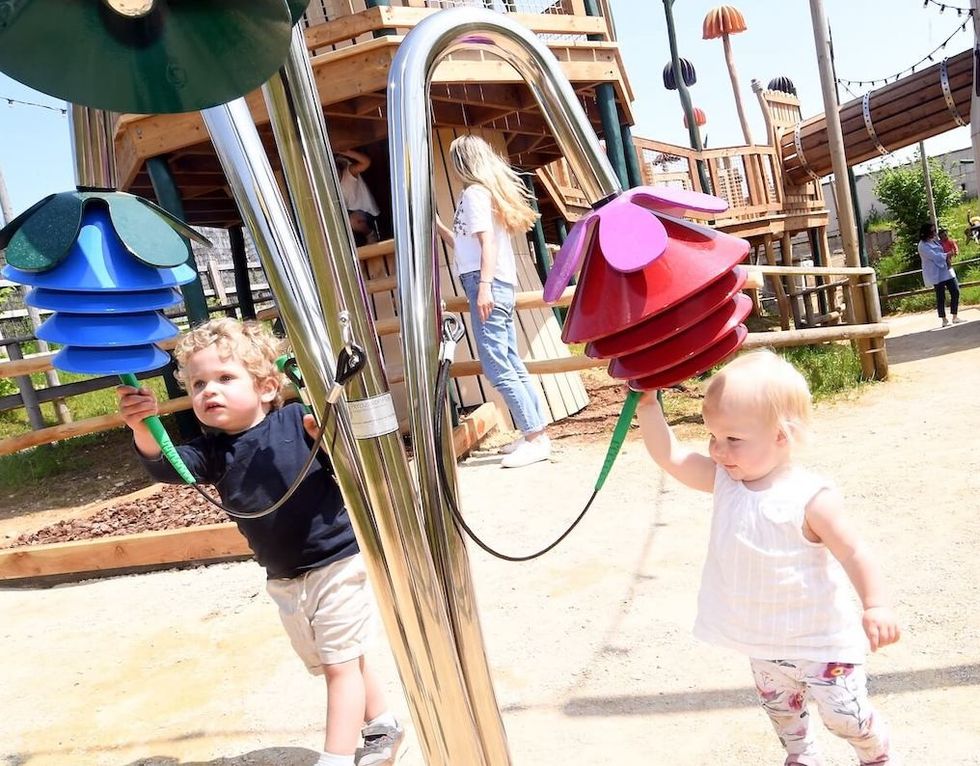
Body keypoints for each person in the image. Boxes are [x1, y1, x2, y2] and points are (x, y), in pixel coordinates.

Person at [116, 318, 403, 766]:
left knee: (338, 665)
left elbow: (348, 453)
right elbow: (168, 467)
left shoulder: (298, 421)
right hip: (284, 576)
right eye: (197, 384)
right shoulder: (210, 451)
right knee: (337, 654)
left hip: (337, 561)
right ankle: (383, 724)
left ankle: (336, 757)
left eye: (225, 378)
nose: (209, 391)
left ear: (268, 386)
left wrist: (325, 436)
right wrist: (142, 428)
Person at [637, 350, 902, 766]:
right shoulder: (725, 480)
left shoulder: (810, 497)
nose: (718, 451)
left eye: (733, 440)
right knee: (782, 711)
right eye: (712, 437)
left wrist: (876, 604)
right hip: (762, 638)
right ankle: (801, 754)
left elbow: (853, 551)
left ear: (781, 436)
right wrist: (649, 406)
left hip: (820, 641)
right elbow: (670, 457)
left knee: (844, 716)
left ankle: (874, 750)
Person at [436, 134, 551, 468]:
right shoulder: (484, 194)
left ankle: (534, 436)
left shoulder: (474, 194)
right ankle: (535, 431)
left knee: (496, 364)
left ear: (462, 162)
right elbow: (466, 245)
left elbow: (487, 245)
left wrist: (483, 286)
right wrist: (440, 227)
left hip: (485, 283)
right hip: (494, 282)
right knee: (510, 360)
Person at [918, 222, 961, 327]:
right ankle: (944, 319)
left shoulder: (935, 241)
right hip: (936, 273)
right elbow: (935, 256)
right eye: (932, 231)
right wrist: (948, 254)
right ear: (926, 232)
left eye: (934, 231)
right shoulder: (922, 246)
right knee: (941, 296)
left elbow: (944, 247)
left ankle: (955, 316)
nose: (934, 233)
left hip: (946, 269)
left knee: (955, 291)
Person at [336, 148, 380, 246]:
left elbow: (366, 162)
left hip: (366, 211)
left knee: (352, 221)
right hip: (350, 214)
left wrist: (347, 152)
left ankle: (370, 234)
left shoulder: (349, 172)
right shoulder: (330, 187)